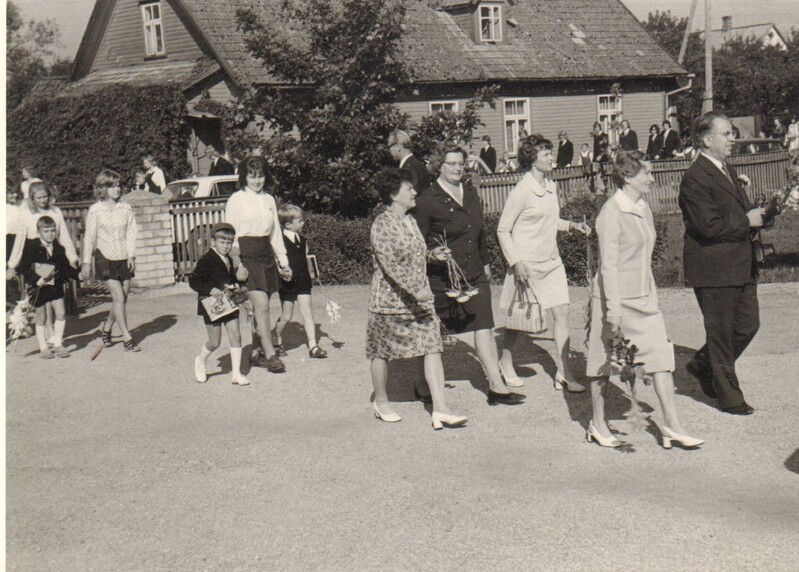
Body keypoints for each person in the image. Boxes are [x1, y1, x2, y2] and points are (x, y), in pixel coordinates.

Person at [586, 151, 704, 449]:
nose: (652, 178)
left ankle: (672, 426)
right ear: (627, 177)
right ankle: (598, 423)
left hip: (643, 298)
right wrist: (612, 309)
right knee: (604, 362)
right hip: (614, 300)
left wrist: (651, 293)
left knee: (661, 358)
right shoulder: (610, 214)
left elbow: (644, 258)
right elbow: (608, 266)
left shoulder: (642, 207)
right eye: (647, 173)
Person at [414, 140, 524, 405]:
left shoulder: (470, 192)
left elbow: (480, 232)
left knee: (483, 324)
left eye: (461, 164)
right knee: (434, 333)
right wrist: (431, 255)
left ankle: (496, 386)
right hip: (442, 277)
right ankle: (422, 384)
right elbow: (417, 242)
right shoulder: (427, 199)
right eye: (450, 164)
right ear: (439, 166)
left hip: (474, 272)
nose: (456, 168)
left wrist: (485, 262)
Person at [368, 168, 468, 429]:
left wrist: (433, 255)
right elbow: (391, 265)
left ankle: (441, 409)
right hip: (389, 302)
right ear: (393, 195)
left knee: (432, 345)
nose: (414, 192)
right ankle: (381, 400)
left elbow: (415, 254)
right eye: (408, 189)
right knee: (381, 352)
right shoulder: (381, 224)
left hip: (419, 299)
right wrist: (419, 290)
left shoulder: (411, 221)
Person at [679, 112, 765, 415]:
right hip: (714, 269)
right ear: (707, 139)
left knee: (747, 324)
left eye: (731, 133)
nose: (733, 139)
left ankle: (703, 365)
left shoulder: (725, 169)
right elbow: (707, 226)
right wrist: (746, 219)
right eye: (727, 134)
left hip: (739, 264)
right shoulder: (694, 178)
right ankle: (728, 396)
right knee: (721, 333)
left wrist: (764, 212)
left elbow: (735, 213)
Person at [497, 134, 591, 392]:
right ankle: (505, 362)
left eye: (550, 152)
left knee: (561, 314)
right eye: (546, 153)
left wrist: (572, 225)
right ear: (532, 158)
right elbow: (503, 229)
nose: (552, 157)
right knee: (519, 321)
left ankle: (564, 373)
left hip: (552, 263)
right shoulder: (522, 191)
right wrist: (516, 263)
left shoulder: (551, 186)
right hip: (526, 266)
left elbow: (552, 221)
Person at [224, 155, 292, 374]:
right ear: (244, 176)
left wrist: (283, 261)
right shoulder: (236, 199)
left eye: (260, 175)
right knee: (262, 306)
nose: (256, 180)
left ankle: (255, 351)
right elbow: (230, 233)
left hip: (265, 255)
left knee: (259, 309)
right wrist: (237, 263)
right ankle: (271, 355)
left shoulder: (269, 199)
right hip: (246, 255)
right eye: (252, 176)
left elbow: (275, 235)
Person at [80, 170, 141, 352]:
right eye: (112, 186)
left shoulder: (126, 208)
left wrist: (131, 255)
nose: (117, 189)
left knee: (122, 299)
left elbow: (131, 232)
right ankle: (127, 337)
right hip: (104, 257)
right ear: (102, 188)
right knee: (118, 297)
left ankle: (106, 329)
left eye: (118, 185)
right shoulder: (95, 210)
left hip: (123, 257)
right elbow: (90, 237)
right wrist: (86, 262)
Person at [189, 222, 249, 386]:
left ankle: (236, 374)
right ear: (213, 242)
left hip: (229, 302)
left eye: (229, 243)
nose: (225, 246)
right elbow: (193, 281)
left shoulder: (229, 259)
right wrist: (210, 289)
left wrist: (238, 285)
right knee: (215, 342)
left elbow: (230, 280)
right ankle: (200, 360)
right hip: (211, 305)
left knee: (236, 335)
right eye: (222, 242)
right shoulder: (206, 260)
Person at [18, 216, 80, 359]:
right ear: (39, 233)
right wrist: (36, 280)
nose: (50, 233)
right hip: (38, 286)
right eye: (46, 231)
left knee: (61, 313)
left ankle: (57, 344)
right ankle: (43, 347)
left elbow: (65, 267)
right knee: (42, 316)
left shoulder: (58, 248)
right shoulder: (32, 247)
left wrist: (78, 275)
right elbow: (23, 268)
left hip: (55, 286)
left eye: (53, 230)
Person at [273, 204, 327, 359]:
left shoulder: (303, 240)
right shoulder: (279, 241)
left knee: (307, 311)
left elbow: (307, 258)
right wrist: (281, 272)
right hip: (288, 282)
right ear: (288, 224)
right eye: (300, 221)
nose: (303, 223)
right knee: (287, 316)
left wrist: (313, 272)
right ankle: (276, 339)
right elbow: (276, 261)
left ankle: (313, 346)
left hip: (303, 280)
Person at [387, 129, 431, 195]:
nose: (389, 150)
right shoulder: (415, 164)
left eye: (389, 146)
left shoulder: (409, 168)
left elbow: (411, 195)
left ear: (398, 147)